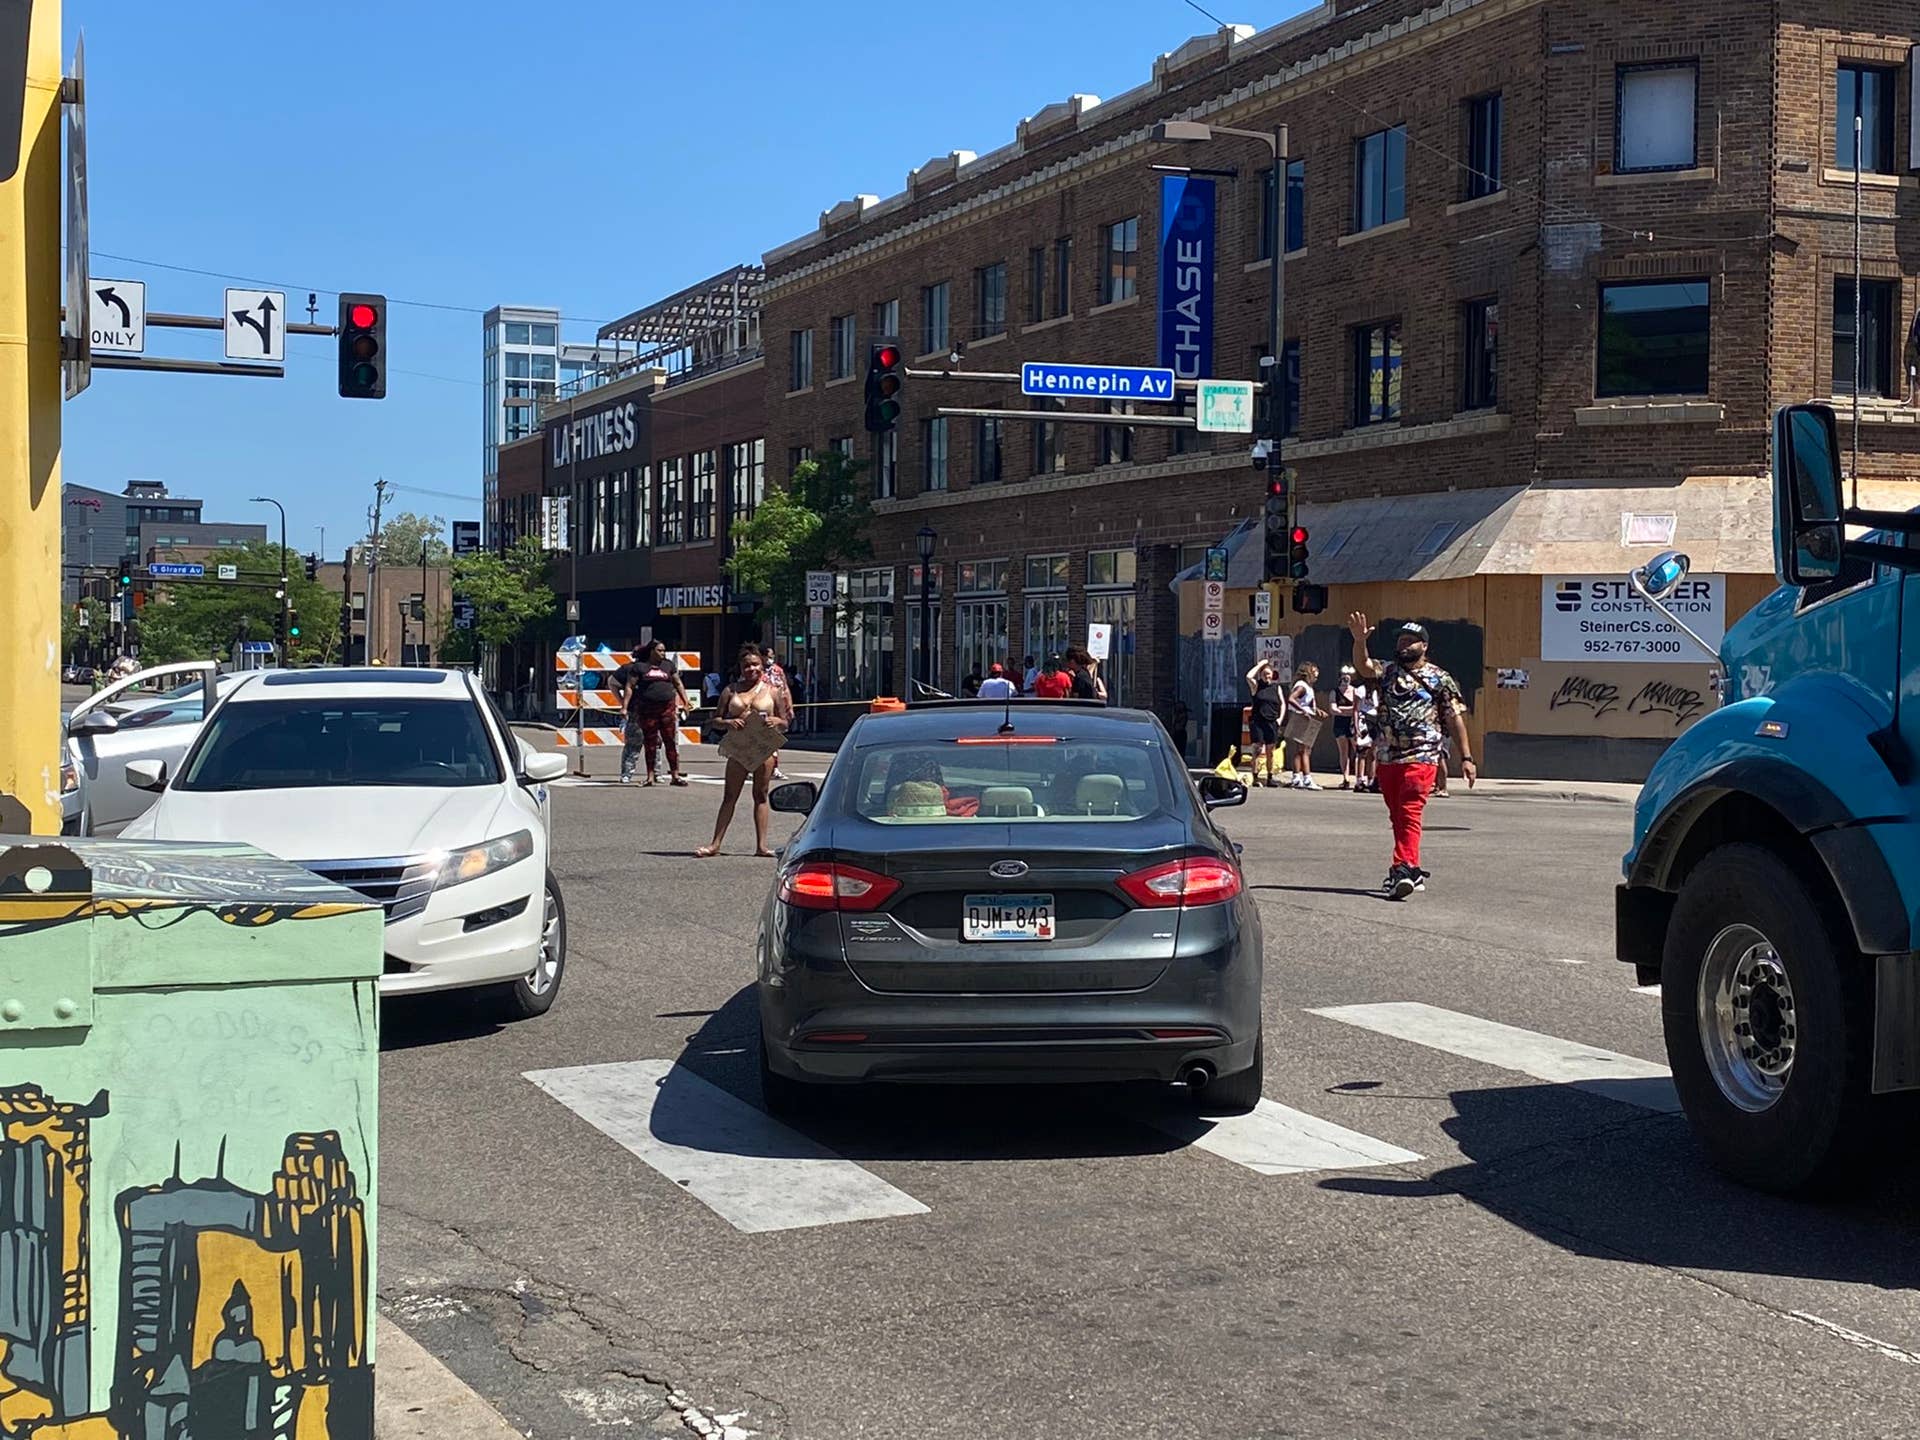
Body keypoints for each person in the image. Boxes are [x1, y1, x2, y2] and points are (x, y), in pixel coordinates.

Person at [1347, 613, 1476, 899]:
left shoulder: (1440, 678)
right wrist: (1359, 642)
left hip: (1422, 754)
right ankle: (1413, 869)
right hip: (1387, 754)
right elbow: (1364, 666)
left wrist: (1466, 757)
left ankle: (1402, 868)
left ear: (1424, 646)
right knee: (1397, 815)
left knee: (1409, 810)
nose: (1404, 645)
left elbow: (1454, 717)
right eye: (1401, 640)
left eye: (1410, 641)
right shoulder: (1388, 671)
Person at [696, 644, 792, 858]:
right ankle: (715, 844)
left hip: (763, 747)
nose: (751, 669)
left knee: (761, 794)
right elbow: (715, 720)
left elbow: (785, 722)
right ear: (741, 668)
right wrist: (729, 723)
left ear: (762, 666)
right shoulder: (730, 691)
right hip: (739, 749)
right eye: (747, 665)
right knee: (730, 796)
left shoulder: (773, 692)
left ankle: (761, 846)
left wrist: (776, 721)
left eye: (755, 664)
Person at [611, 640, 690, 787]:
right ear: (652, 651)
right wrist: (624, 706)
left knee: (669, 742)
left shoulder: (668, 665)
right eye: (660, 650)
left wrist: (685, 702)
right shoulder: (640, 667)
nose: (663, 653)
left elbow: (678, 683)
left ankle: (675, 775)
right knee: (650, 743)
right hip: (647, 710)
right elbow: (629, 687)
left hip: (667, 709)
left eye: (664, 650)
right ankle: (650, 776)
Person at [1244, 659, 1284, 788]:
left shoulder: (1276, 688)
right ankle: (1255, 777)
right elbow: (1248, 676)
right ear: (1261, 675)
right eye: (1264, 674)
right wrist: (1261, 664)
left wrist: (1280, 719)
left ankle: (1269, 777)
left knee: (1270, 751)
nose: (1267, 676)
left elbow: (1282, 703)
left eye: (1269, 674)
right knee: (1257, 749)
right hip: (1258, 721)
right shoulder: (1257, 686)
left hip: (1272, 721)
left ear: (1272, 674)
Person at [1285, 662, 1324, 790]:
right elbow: (1291, 698)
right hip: (1302, 719)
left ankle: (1296, 777)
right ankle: (1307, 778)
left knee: (1300, 750)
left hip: (1305, 717)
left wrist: (1317, 710)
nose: (1316, 675)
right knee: (1305, 750)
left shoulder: (1308, 687)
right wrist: (1303, 711)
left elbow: (1307, 702)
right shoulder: (1302, 686)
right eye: (1314, 672)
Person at [1331, 666, 1359, 790]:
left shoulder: (1355, 691)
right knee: (1343, 751)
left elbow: (1357, 709)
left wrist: (1342, 709)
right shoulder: (1335, 692)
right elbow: (1333, 709)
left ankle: (1359, 778)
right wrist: (1349, 710)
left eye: (1349, 675)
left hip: (1353, 723)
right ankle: (1345, 778)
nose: (1346, 677)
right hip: (1340, 724)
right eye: (1344, 675)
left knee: (1357, 750)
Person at [1352, 677, 1379, 793]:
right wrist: (1356, 726)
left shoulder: (1377, 692)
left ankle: (1371, 780)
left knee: (1373, 752)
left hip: (1374, 719)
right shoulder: (1360, 690)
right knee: (1363, 751)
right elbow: (1356, 709)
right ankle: (1359, 781)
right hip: (1363, 718)